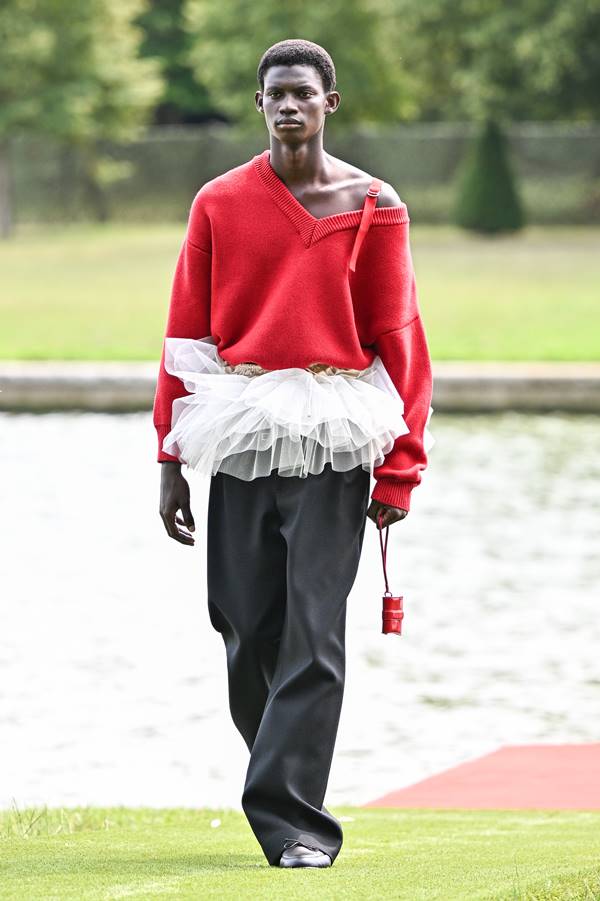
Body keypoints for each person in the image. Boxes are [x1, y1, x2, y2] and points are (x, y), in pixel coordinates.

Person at [152, 39, 434, 869]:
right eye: (275, 93)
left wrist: (402, 467)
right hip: (237, 425)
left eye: (303, 93)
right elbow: (185, 332)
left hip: (337, 432)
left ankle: (293, 821)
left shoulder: (375, 203)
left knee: (313, 633)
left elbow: (401, 341)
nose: (288, 106)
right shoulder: (218, 202)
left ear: (329, 103)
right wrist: (168, 454)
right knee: (244, 625)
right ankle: (284, 778)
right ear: (259, 103)